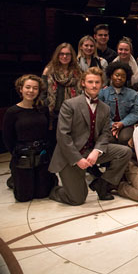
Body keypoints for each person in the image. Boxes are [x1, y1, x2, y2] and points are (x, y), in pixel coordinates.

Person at [48, 67, 131, 205]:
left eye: (97, 82)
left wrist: (96, 151)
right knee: (77, 199)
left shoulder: (105, 108)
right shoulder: (70, 104)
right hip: (71, 155)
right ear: (83, 83)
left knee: (125, 152)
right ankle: (55, 190)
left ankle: (102, 184)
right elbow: (63, 136)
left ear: (102, 85)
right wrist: (78, 159)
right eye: (90, 82)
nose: (94, 85)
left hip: (90, 151)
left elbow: (105, 133)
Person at [3, 75, 57, 202]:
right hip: (23, 156)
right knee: (24, 197)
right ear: (21, 89)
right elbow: (8, 138)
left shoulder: (42, 109)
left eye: (35, 88)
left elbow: (47, 133)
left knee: (42, 194)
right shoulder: (12, 112)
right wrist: (16, 154)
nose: (31, 91)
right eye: (28, 87)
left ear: (39, 91)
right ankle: (14, 178)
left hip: (41, 155)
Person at [41, 42, 82, 140]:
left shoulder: (77, 72)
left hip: (72, 113)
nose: (64, 56)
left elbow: (81, 92)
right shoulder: (49, 70)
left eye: (68, 54)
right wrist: (46, 105)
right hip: (54, 113)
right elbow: (42, 92)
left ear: (72, 56)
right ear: (57, 55)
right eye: (61, 54)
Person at [98, 62, 138, 145]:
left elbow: (136, 112)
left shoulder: (133, 94)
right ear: (111, 76)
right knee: (109, 138)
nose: (119, 78)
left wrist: (122, 123)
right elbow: (100, 112)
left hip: (127, 125)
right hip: (107, 124)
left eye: (123, 76)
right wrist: (113, 125)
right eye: (117, 75)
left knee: (124, 138)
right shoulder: (102, 93)